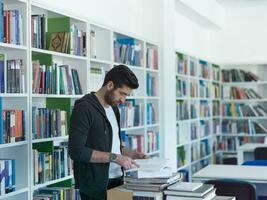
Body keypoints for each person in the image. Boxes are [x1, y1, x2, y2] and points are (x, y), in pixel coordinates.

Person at [68, 65, 148, 200]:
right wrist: (116, 158)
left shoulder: (114, 109)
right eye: (122, 93)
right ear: (110, 85)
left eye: (126, 96)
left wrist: (134, 154)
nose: (123, 100)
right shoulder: (84, 108)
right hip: (95, 186)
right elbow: (76, 151)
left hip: (118, 180)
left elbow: (113, 146)